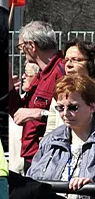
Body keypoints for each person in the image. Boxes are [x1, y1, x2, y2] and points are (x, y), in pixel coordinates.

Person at [8, 21, 65, 164]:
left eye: (21, 46)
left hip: (51, 159)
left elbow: (73, 114)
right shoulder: (40, 75)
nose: (21, 52)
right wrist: (8, 86)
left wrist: (39, 114)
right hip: (33, 158)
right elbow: (20, 114)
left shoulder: (62, 73)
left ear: (32, 46)